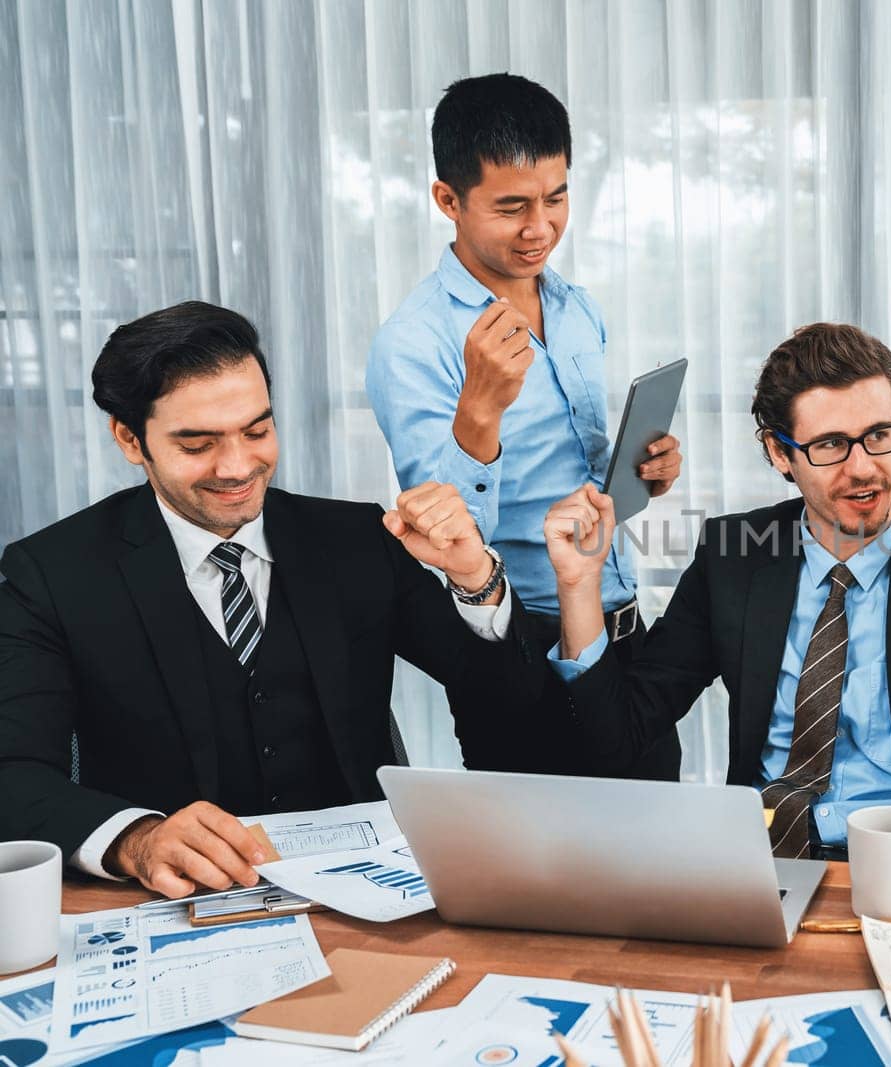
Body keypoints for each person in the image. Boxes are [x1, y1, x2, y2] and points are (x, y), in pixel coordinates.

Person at [0, 302, 546, 899]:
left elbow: (510, 707)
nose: (237, 467)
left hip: (367, 902)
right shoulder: (52, 573)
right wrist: (137, 840)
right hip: (171, 905)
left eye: (257, 431)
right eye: (197, 444)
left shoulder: (358, 541)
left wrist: (474, 578)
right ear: (131, 439)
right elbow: (15, 772)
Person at [538, 323, 891, 869]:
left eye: (879, 436)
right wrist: (578, 586)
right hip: (762, 862)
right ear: (778, 452)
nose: (863, 468)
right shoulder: (733, 557)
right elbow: (618, 739)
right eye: (831, 446)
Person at [365, 73, 682, 780]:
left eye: (557, 197)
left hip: (625, 631)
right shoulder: (413, 343)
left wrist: (644, 472)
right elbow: (440, 536)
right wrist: (480, 408)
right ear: (448, 200)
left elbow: (579, 469)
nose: (540, 227)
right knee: (541, 882)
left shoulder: (576, 307)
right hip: (519, 656)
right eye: (511, 207)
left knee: (660, 866)